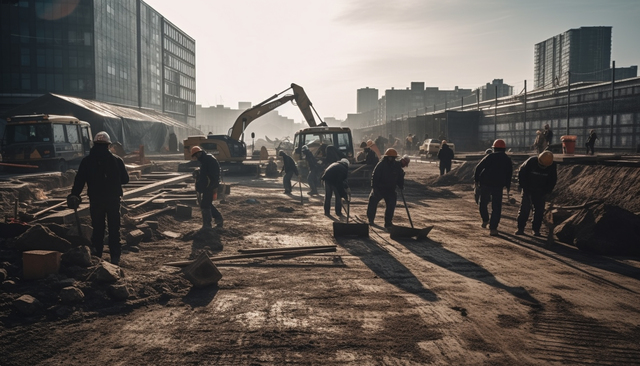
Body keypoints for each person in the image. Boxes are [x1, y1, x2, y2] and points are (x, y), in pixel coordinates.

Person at [67, 131, 129, 265]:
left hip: (96, 200)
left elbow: (79, 181)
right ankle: (115, 258)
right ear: (108, 145)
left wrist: (74, 195)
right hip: (113, 200)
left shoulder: (87, 161)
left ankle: (97, 257)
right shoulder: (117, 160)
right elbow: (125, 180)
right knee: (114, 229)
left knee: (98, 229)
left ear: (94, 144)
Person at [474, 139, 513, 236]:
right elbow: (509, 174)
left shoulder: (490, 156)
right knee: (496, 207)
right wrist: (508, 185)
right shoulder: (507, 159)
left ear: (494, 148)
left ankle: (485, 219)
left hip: (485, 184)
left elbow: (478, 168)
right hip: (498, 185)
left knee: (483, 202)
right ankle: (493, 228)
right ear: (504, 149)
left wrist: (476, 180)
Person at [515, 151, 557, 236]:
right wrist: (524, 187)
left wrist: (547, 191)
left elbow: (552, 180)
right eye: (541, 165)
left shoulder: (552, 166)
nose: (542, 167)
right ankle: (520, 228)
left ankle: (536, 230)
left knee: (539, 211)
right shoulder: (531, 162)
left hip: (541, 191)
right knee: (524, 209)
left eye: (544, 166)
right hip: (528, 189)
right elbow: (521, 173)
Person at [366, 148, 405, 229]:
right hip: (379, 188)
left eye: (394, 158)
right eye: (391, 157)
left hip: (390, 190)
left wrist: (401, 185)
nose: (392, 159)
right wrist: (374, 188)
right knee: (372, 203)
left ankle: (388, 223)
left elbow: (399, 177)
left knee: (391, 206)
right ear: (387, 157)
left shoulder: (396, 166)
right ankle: (370, 220)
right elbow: (375, 176)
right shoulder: (381, 165)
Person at [191, 146, 224, 229]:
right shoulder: (206, 159)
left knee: (205, 204)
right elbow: (204, 174)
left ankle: (209, 224)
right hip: (209, 185)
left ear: (199, 153)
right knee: (206, 203)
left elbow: (209, 175)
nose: (196, 158)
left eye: (196, 156)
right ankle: (216, 219)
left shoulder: (207, 160)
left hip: (211, 185)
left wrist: (213, 186)